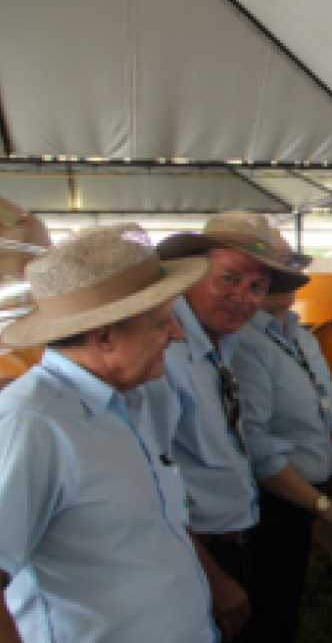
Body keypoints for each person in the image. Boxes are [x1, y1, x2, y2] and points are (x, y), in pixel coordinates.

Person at [0, 224, 217, 641]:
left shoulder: (125, 402)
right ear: (104, 337)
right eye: (162, 323)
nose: (177, 335)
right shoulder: (32, 424)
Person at [153, 210, 310, 641]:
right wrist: (214, 579)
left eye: (257, 286)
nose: (243, 297)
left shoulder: (223, 344)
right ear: (190, 275)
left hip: (238, 539)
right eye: (229, 278)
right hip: (199, 554)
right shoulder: (164, 356)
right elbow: (153, 490)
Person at [231, 231, 332, 643]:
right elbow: (256, 444)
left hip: (306, 496)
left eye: (294, 265)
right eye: (281, 267)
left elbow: (320, 416)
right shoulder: (244, 343)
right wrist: (324, 507)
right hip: (273, 502)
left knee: (289, 598)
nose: (292, 275)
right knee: (272, 611)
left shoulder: (300, 334)